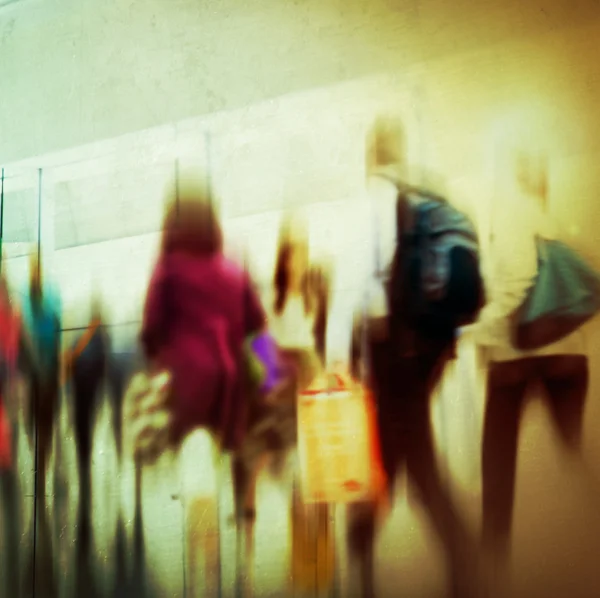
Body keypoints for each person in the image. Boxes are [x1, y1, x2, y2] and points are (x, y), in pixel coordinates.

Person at [347, 115, 486, 598]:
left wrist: (365, 349)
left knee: (399, 456)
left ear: (371, 152)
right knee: (408, 455)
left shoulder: (380, 194)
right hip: (430, 344)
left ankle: (363, 552)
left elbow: (370, 274)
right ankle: (458, 564)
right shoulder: (428, 191)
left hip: (398, 349)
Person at [462, 139, 589, 583]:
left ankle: (492, 574)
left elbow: (518, 280)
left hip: (516, 358)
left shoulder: (511, 210)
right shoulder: (550, 217)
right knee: (574, 456)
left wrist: (476, 331)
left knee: (497, 470)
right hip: (568, 356)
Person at [141, 171, 267, 454]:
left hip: (186, 388)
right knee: (225, 461)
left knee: (195, 474)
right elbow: (258, 327)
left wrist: (158, 359)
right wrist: (271, 376)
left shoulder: (169, 269)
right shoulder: (234, 271)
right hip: (230, 389)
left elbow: (151, 329)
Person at [20, 253, 62, 505]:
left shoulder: (51, 299)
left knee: (44, 427)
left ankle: (41, 473)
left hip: (46, 377)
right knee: (30, 424)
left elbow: (58, 335)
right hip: (32, 377)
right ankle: (39, 465)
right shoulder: (24, 301)